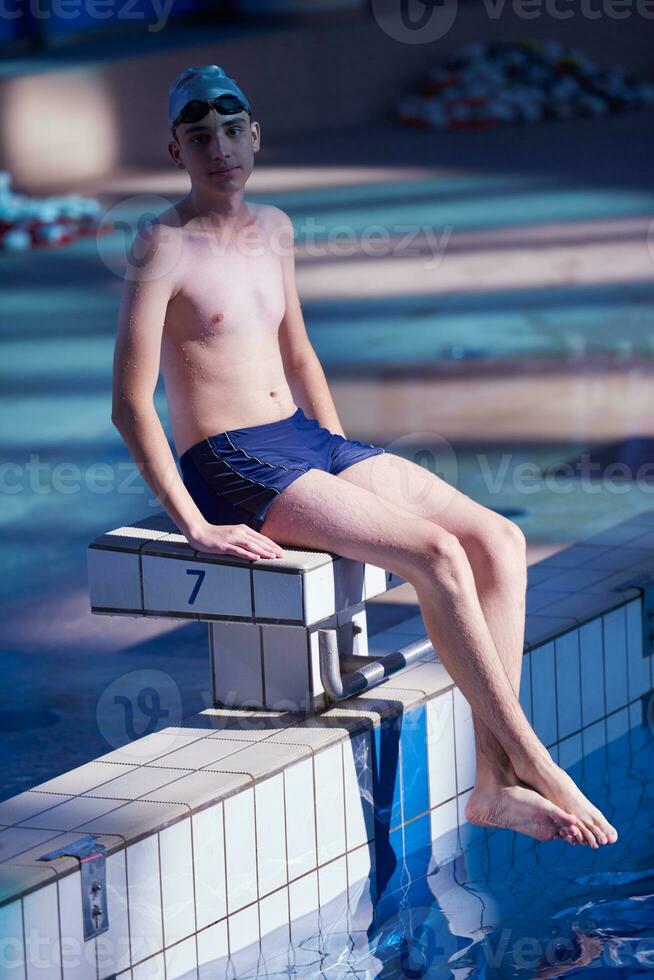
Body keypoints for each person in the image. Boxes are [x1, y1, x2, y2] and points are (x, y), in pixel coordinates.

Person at [111, 64, 618, 849]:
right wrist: (194, 525)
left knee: (499, 542)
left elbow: (302, 357)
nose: (220, 149)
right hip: (232, 462)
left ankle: (491, 784)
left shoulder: (272, 228)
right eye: (199, 136)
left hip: (306, 442)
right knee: (440, 556)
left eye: (232, 131)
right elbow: (129, 403)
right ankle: (533, 757)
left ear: (256, 138)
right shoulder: (162, 246)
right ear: (175, 150)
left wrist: (344, 464)